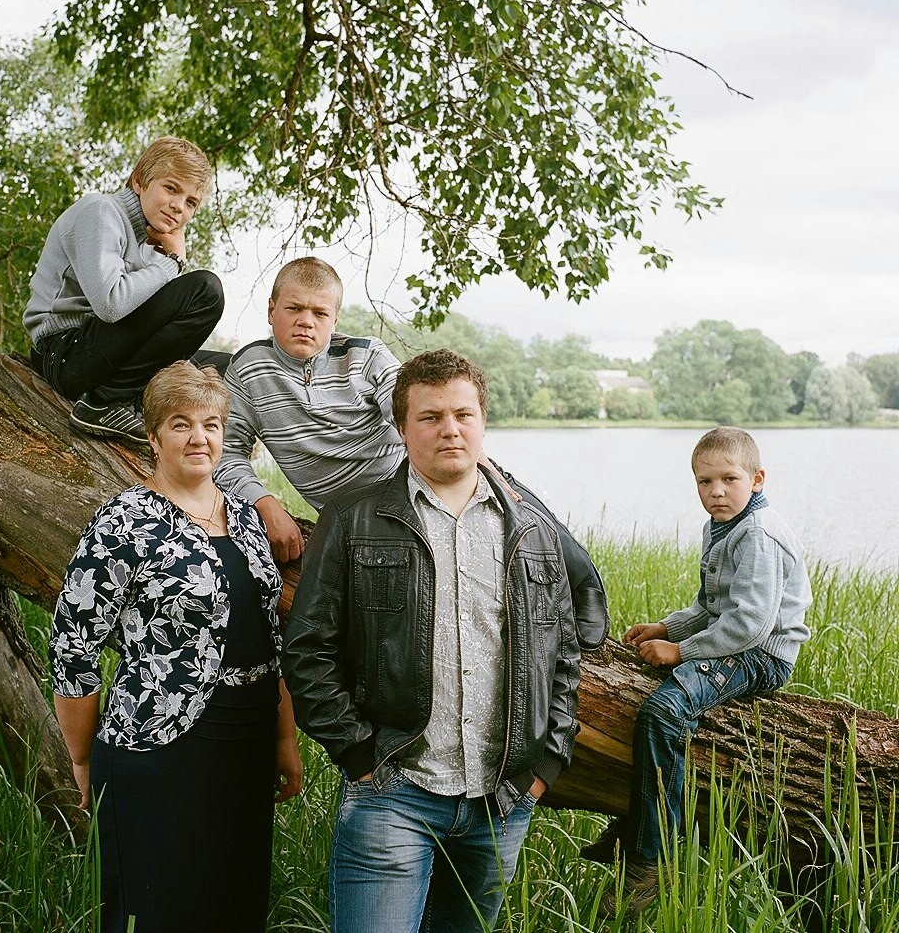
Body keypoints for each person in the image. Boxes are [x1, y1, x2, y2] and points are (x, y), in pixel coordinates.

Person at [282, 349, 582, 933]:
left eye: (463, 414)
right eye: (431, 416)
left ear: (482, 420)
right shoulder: (353, 520)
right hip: (394, 791)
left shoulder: (535, 530)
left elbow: (562, 655)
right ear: (401, 428)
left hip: (501, 803)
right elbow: (307, 648)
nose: (450, 429)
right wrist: (358, 753)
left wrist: (545, 761)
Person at [214, 256, 608, 649]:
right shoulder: (249, 370)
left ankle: (579, 581)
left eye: (320, 313)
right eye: (294, 309)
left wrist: (477, 462)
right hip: (353, 512)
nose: (306, 321)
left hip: (411, 477)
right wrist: (266, 503)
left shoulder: (364, 354)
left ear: (335, 320)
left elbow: (409, 409)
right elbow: (228, 453)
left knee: (496, 483)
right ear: (271, 310)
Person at [49, 361, 302, 933]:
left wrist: (285, 736)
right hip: (155, 747)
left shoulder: (243, 518)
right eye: (181, 424)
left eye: (211, 424)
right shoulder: (123, 522)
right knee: (154, 911)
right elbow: (73, 648)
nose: (199, 438)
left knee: (236, 909)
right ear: (153, 434)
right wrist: (82, 759)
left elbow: (269, 638)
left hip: (248, 741)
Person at [579, 426, 812, 919]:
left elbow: (748, 625)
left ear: (758, 479)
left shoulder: (758, 535)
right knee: (645, 700)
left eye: (729, 479)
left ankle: (651, 858)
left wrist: (680, 651)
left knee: (664, 712)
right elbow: (712, 606)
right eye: (704, 482)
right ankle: (638, 818)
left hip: (762, 656)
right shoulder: (721, 527)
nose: (716, 492)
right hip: (736, 641)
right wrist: (667, 626)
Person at [25, 136, 229, 445]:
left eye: (191, 202)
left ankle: (137, 402)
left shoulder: (152, 241)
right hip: (64, 353)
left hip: (103, 352)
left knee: (231, 366)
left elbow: (152, 324)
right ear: (139, 181)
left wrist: (163, 259)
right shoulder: (100, 211)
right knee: (206, 291)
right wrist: (172, 263)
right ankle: (103, 403)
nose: (179, 207)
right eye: (171, 189)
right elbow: (111, 304)